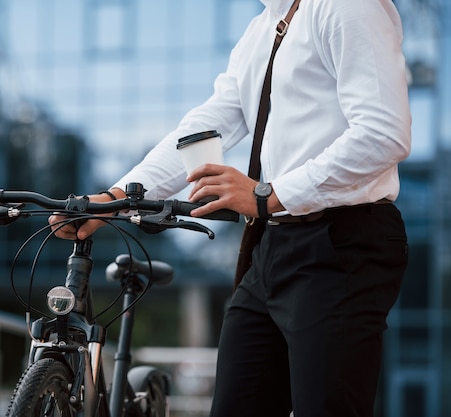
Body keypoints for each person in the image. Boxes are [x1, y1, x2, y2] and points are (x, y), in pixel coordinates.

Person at [51, 0, 411, 415]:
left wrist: (267, 195)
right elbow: (200, 131)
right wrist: (115, 200)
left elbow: (385, 132)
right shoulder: (262, 29)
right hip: (273, 243)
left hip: (342, 243)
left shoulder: (346, 6)